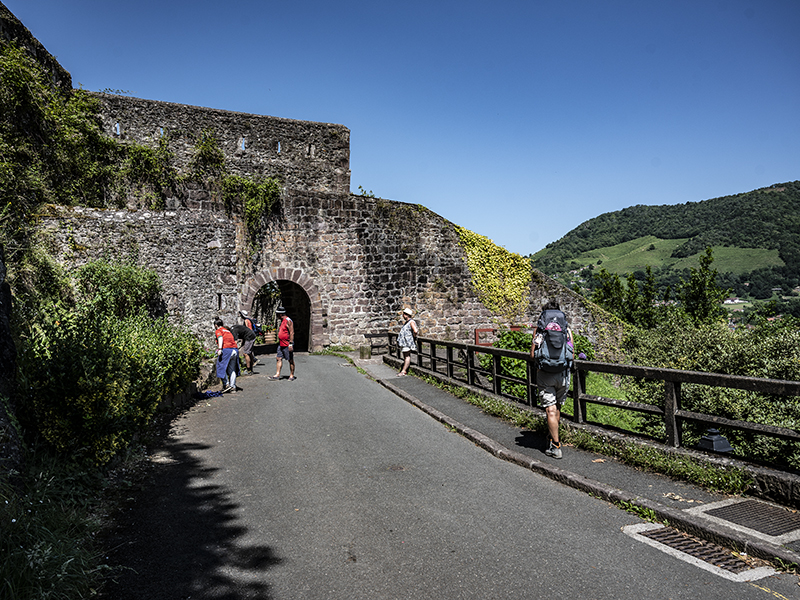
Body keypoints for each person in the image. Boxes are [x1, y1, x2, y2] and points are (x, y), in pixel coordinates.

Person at [529, 299, 573, 458]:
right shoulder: (566, 330)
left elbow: (533, 355)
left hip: (545, 374)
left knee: (550, 410)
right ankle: (552, 438)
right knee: (557, 409)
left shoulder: (539, 330)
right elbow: (571, 353)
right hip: (562, 374)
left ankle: (556, 446)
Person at [214, 319, 240, 393]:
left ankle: (226, 384)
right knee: (232, 369)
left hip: (227, 350)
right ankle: (233, 387)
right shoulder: (227, 331)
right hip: (235, 350)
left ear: (216, 325)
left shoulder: (219, 330)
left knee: (221, 367)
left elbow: (220, 338)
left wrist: (219, 348)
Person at [270, 306, 295, 380]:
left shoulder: (288, 320)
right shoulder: (282, 321)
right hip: (281, 343)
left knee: (290, 359)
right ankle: (277, 374)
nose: (277, 316)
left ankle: (291, 375)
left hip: (287, 344)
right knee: (278, 358)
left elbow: (291, 332)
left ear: (280, 314)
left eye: (277, 314)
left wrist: (290, 343)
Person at [396, 308, 418, 377]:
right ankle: (404, 370)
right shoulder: (407, 322)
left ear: (407, 315)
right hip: (405, 342)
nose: (403, 315)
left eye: (404, 314)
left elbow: (415, 331)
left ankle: (403, 371)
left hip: (407, 342)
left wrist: (413, 337)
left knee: (407, 356)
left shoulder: (411, 322)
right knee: (405, 356)